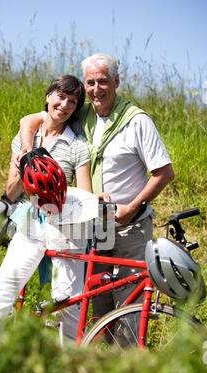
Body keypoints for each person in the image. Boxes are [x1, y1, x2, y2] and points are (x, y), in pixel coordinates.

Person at [19, 53, 175, 317]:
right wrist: (25, 149)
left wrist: (132, 209)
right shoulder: (81, 113)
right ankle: (101, 355)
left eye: (102, 82)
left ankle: (130, 357)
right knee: (97, 301)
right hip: (95, 223)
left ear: (116, 81)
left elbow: (164, 173)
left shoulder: (137, 121)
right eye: (90, 82)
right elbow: (34, 119)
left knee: (130, 303)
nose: (95, 89)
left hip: (130, 225)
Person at [0, 75, 92, 339]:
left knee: (68, 304)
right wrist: (26, 168)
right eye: (60, 97)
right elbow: (11, 191)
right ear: (49, 96)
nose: (64, 105)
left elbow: (85, 193)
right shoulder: (24, 137)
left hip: (65, 224)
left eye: (72, 102)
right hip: (30, 223)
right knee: (1, 294)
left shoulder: (78, 146)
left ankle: (68, 367)